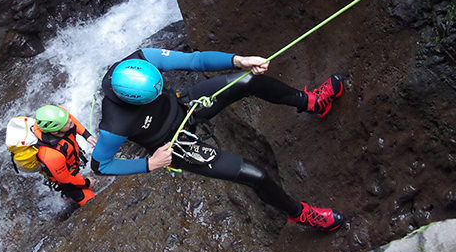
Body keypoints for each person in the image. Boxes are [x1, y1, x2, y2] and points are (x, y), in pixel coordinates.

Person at [90, 48, 346, 231]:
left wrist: (239, 60)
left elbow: (195, 60)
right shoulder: (115, 124)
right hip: (174, 144)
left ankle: (312, 102)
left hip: (183, 104)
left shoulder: (141, 59)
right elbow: (100, 165)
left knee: (248, 80)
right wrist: (151, 164)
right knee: (255, 174)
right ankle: (299, 214)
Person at [33, 104, 98, 206]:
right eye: (66, 122)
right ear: (55, 132)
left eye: (67, 118)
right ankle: (67, 196)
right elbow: (66, 180)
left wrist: (86, 135)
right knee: (92, 204)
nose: (70, 120)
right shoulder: (51, 155)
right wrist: (87, 183)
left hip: (70, 163)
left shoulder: (58, 116)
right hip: (65, 177)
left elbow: (70, 119)